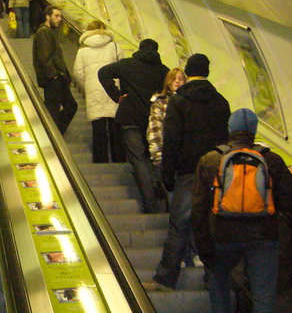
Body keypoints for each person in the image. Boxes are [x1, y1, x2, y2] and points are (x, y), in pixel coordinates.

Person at [191, 109, 292, 313]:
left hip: (223, 235)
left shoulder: (211, 159)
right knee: (264, 297)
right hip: (263, 237)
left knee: (217, 277)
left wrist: (203, 245)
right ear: (253, 132)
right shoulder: (271, 160)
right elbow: (291, 200)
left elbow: (197, 207)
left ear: (229, 130)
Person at [146, 53, 230, 291]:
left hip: (187, 172)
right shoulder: (221, 102)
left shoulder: (179, 101)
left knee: (179, 226)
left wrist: (166, 174)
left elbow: (172, 140)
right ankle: (213, 280)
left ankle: (166, 278)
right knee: (210, 225)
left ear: (189, 71)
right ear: (208, 73)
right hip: (215, 171)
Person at [98, 39, 169, 213]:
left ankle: (150, 204)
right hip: (153, 120)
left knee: (138, 159)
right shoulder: (163, 71)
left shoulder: (127, 65)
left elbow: (103, 72)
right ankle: (159, 193)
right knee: (153, 158)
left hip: (130, 118)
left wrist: (117, 95)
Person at [72, 20, 122, 163]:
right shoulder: (115, 47)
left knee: (98, 127)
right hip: (113, 90)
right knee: (115, 126)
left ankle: (101, 160)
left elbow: (78, 72)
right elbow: (122, 67)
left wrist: (88, 83)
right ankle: (118, 159)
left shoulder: (82, 51)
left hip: (94, 90)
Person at [33, 6, 78, 133]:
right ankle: (52, 136)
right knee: (53, 111)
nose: (59, 19)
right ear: (48, 17)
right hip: (52, 79)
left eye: (60, 16)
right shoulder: (43, 32)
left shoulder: (49, 32)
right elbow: (44, 57)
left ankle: (56, 132)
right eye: (56, 16)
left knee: (70, 106)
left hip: (58, 78)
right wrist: (54, 76)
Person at [147, 68, 186, 168]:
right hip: (165, 156)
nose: (177, 81)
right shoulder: (160, 102)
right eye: (173, 78)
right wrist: (158, 156)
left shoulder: (188, 102)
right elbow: (155, 129)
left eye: (180, 79)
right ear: (168, 82)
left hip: (185, 157)